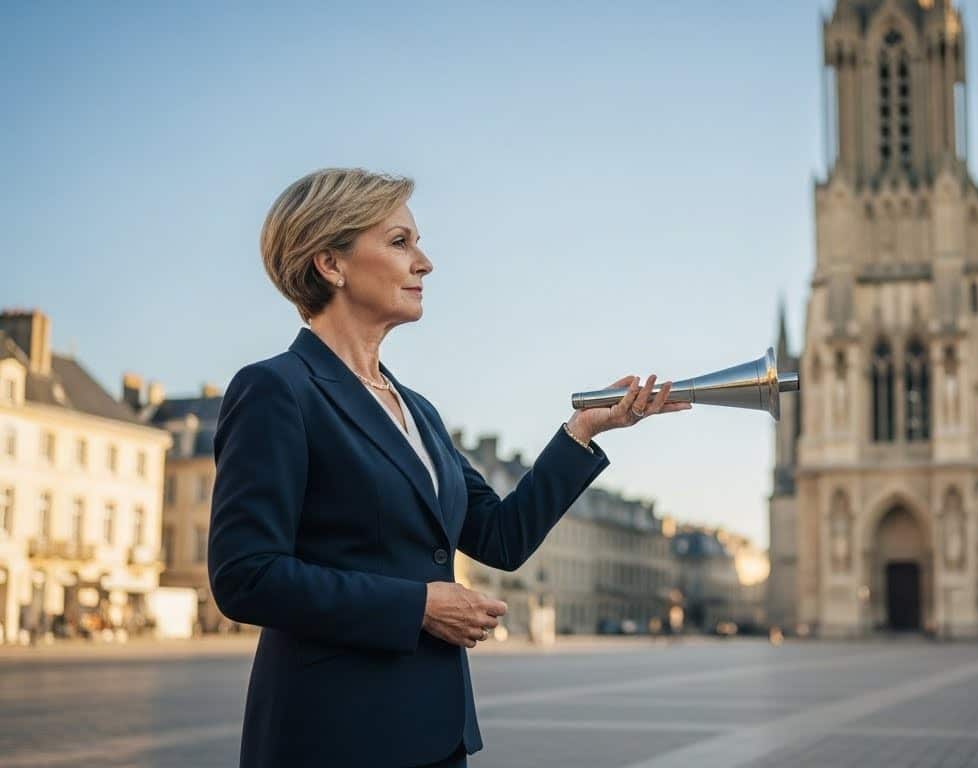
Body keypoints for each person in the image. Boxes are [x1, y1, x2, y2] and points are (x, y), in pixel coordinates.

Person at [208, 168, 690, 767]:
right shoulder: (276, 390)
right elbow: (246, 575)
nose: (425, 262)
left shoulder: (418, 410)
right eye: (400, 242)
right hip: (333, 734)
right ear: (330, 264)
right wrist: (419, 605)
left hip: (437, 735)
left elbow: (501, 537)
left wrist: (582, 432)